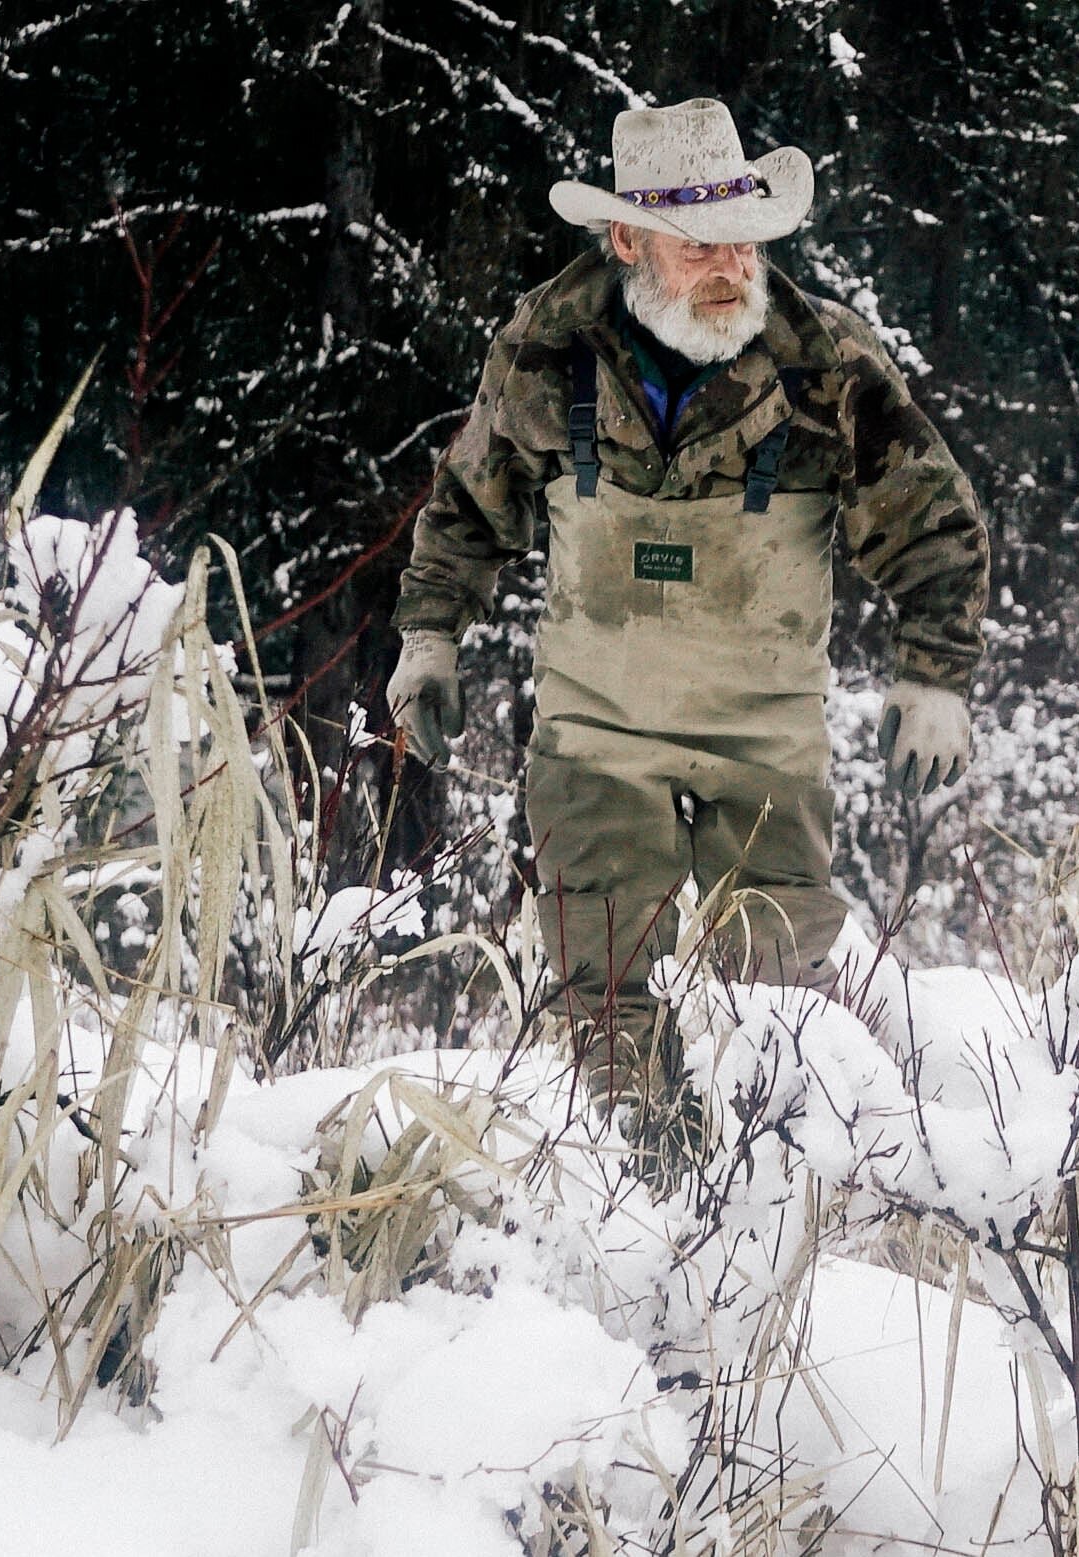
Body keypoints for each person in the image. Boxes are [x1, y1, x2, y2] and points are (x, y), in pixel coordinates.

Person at [386, 97, 987, 1118]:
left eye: (744, 240)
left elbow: (932, 521)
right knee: (603, 1005)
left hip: (766, 744)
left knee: (776, 1007)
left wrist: (935, 675)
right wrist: (428, 636)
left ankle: (772, 1235)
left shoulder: (822, 363)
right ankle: (632, 1210)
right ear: (627, 240)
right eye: (699, 243)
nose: (732, 266)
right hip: (594, 737)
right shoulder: (547, 348)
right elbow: (468, 504)